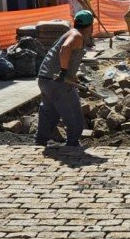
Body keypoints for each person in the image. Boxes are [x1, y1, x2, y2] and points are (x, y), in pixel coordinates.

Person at [35, 10, 94, 147]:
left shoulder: (72, 33)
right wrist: (63, 72)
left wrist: (73, 77)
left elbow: (66, 54)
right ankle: (73, 143)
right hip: (58, 81)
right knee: (73, 112)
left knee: (49, 112)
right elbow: (65, 48)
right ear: (90, 25)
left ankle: (40, 141)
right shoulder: (77, 35)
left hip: (45, 78)